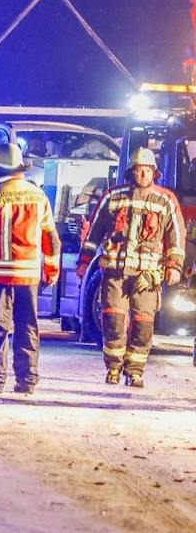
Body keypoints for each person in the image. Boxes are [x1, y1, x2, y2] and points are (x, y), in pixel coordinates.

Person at [76, 145, 186, 387]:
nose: (143, 174)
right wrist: (84, 261)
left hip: (146, 277)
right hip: (115, 273)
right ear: (130, 172)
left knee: (143, 325)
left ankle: (135, 372)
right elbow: (93, 234)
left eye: (147, 170)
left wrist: (174, 266)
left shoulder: (166, 201)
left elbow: (176, 237)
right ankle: (114, 369)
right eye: (138, 169)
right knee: (113, 322)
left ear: (154, 172)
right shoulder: (112, 198)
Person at [0, 143, 60, 394]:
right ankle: (27, 380)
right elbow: (51, 239)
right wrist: (51, 270)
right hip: (29, 276)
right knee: (28, 327)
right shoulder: (38, 195)